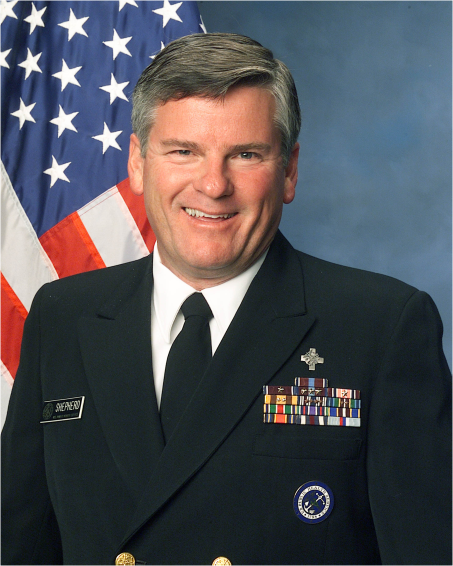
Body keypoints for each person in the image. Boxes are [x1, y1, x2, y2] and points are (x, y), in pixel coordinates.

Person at [0, 33, 451, 565]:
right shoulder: (64, 316)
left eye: (245, 154)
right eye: (183, 151)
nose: (213, 185)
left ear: (289, 170)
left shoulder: (382, 328)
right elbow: (19, 546)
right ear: (139, 163)